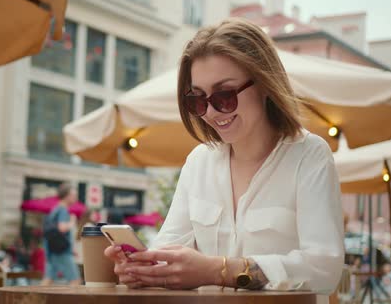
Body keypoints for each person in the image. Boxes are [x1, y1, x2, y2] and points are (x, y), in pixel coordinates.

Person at [104, 17, 344, 302]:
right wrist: (142, 269)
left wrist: (219, 271)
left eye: (225, 95)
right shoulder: (198, 162)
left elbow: (324, 268)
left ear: (265, 83)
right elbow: (168, 253)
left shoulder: (309, 155)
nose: (211, 112)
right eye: (198, 100)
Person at [40, 183, 81, 286]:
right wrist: (72, 221)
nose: (76, 198)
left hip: (52, 249)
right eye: (74, 195)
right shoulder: (63, 210)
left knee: (48, 279)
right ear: (66, 196)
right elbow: (62, 228)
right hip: (62, 251)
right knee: (75, 280)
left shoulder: (55, 209)